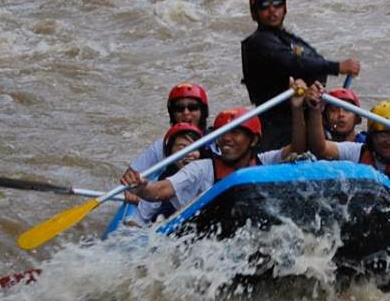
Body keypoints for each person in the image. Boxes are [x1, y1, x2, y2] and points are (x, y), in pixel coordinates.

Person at [129, 79, 309, 208]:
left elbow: (298, 149)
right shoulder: (202, 169)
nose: (226, 139)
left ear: (253, 140)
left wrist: (297, 108)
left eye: (235, 132)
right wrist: (142, 188)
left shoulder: (266, 161)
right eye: (222, 133)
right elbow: (162, 190)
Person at [241, 0, 361, 151]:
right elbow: (292, 63)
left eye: (277, 4)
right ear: (255, 13)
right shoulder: (257, 42)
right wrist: (337, 67)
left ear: (285, 9)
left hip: (307, 116)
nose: (272, 10)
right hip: (276, 123)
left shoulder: (290, 40)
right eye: (264, 6)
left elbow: (314, 61)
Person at [123, 82, 210, 187]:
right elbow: (130, 176)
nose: (186, 113)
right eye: (179, 108)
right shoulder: (162, 145)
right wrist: (132, 187)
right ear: (172, 114)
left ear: (203, 112)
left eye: (193, 107)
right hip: (168, 195)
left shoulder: (216, 140)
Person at [127, 122, 204, 225]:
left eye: (194, 148)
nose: (189, 153)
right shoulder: (163, 182)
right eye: (182, 148)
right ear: (170, 153)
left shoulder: (207, 171)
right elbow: (140, 219)